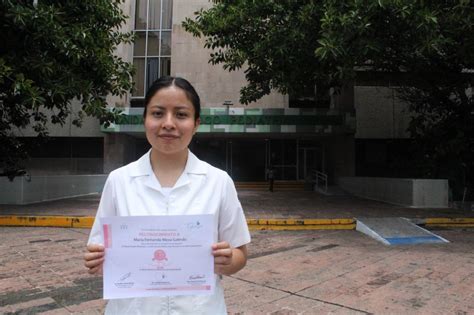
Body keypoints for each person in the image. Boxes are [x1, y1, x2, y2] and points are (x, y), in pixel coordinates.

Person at [83, 76, 251, 314]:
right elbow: (99, 249)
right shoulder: (119, 181)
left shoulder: (218, 182)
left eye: (181, 115)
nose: (169, 123)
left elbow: (240, 254)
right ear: (145, 120)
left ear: (196, 123)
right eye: (158, 113)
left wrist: (228, 260)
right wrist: (96, 260)